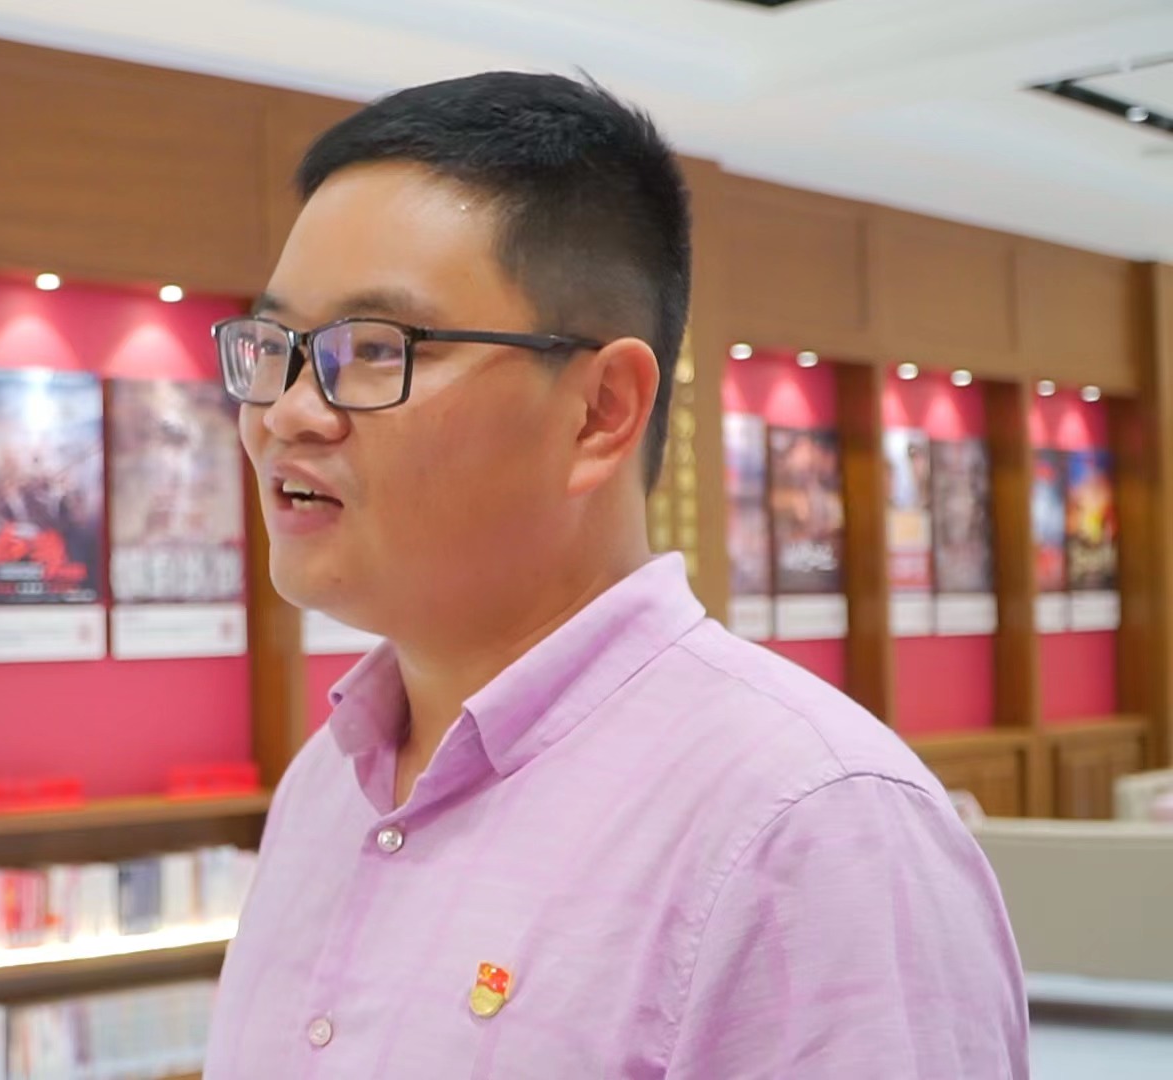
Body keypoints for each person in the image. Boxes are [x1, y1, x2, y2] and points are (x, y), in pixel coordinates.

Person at [204, 71, 1028, 1077]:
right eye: (275, 346)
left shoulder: (808, 829)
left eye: (375, 349)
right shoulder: (325, 786)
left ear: (600, 412)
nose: (288, 411)